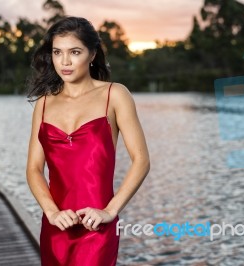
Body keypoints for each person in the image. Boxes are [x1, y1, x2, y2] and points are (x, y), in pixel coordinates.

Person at [25, 16, 150, 266]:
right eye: (57, 52)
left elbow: (141, 161)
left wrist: (110, 211)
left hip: (97, 226)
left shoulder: (115, 95)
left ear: (92, 54)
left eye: (75, 52)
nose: (65, 61)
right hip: (56, 226)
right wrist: (51, 212)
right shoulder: (44, 102)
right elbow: (34, 169)